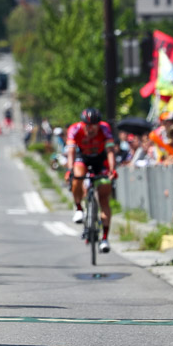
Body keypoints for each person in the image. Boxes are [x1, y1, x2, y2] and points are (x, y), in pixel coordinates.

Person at [65, 108, 116, 253]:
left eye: (94, 125)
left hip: (100, 159)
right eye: (87, 125)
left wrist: (112, 169)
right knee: (77, 175)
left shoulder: (105, 129)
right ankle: (79, 208)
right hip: (83, 157)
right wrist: (69, 169)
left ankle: (105, 238)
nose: (91, 128)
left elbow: (110, 151)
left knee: (104, 197)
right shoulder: (74, 129)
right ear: (82, 124)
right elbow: (71, 152)